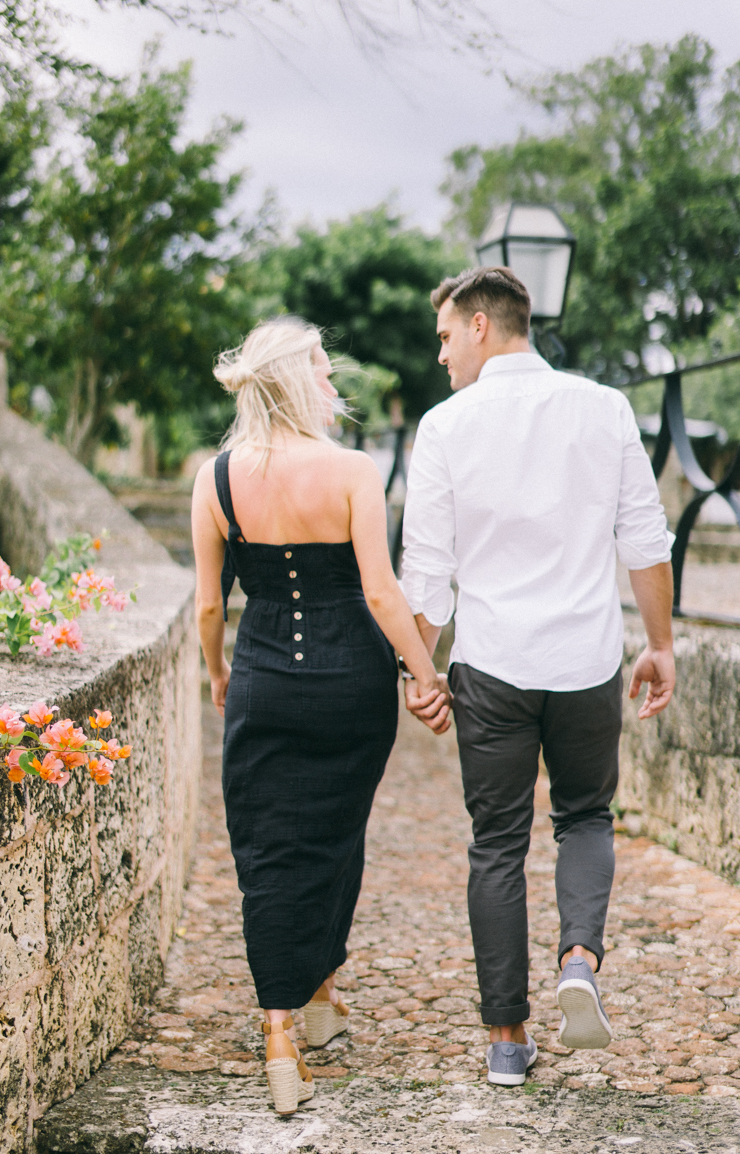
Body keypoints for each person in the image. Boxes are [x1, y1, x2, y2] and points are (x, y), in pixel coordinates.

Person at [400, 266, 675, 1087]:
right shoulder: (606, 408)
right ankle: (581, 962)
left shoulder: (446, 426)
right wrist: (657, 644)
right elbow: (646, 537)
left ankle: (507, 1043)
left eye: (447, 335)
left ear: (483, 325)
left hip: (493, 666)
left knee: (497, 843)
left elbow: (427, 575)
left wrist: (422, 672)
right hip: (587, 661)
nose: (442, 353)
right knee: (586, 817)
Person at [191, 316, 450, 1116]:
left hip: (264, 679)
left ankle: (283, 1031)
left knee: (269, 849)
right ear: (301, 381)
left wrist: (219, 672)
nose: (335, 384)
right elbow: (379, 591)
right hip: (351, 687)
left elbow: (208, 605)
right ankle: (320, 1000)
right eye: (325, 371)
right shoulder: (352, 471)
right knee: (335, 835)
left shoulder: (216, 477)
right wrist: (424, 672)